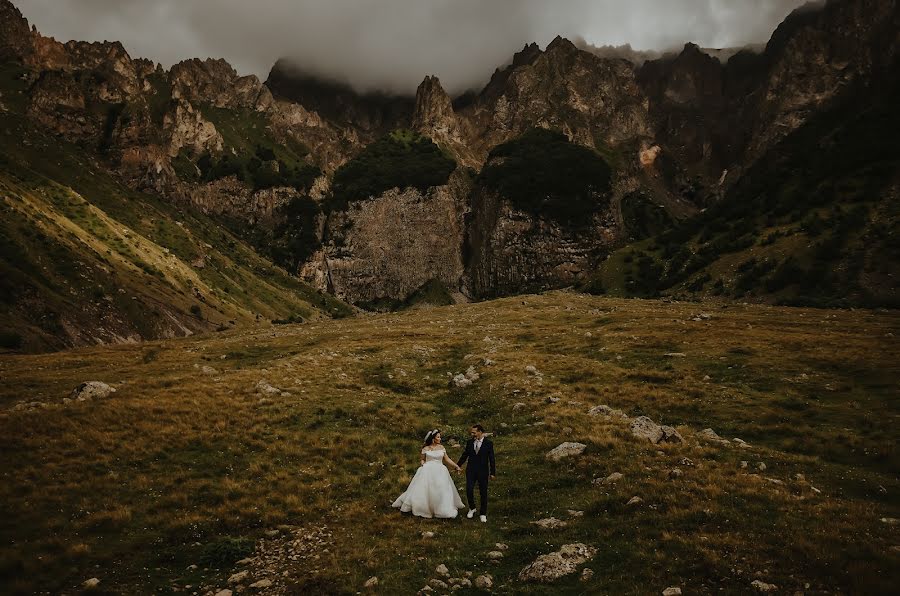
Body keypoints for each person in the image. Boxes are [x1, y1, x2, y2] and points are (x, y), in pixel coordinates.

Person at [392, 429, 465, 519]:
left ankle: (441, 508)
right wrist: (423, 464)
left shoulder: (441, 448)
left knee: (441, 489)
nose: (440, 439)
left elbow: (447, 459)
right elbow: (422, 459)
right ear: (433, 439)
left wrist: (456, 466)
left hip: (440, 471)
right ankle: (424, 507)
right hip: (428, 470)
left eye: (440, 437)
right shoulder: (425, 449)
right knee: (425, 489)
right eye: (438, 437)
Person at [456, 424, 496, 523]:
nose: (472, 434)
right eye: (472, 432)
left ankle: (483, 513)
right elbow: (465, 455)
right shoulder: (470, 442)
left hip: (483, 471)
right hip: (471, 470)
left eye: (474, 432)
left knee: (483, 492)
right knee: (469, 489)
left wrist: (492, 472)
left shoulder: (488, 443)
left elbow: (492, 459)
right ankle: (472, 508)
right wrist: (458, 465)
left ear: (480, 432)